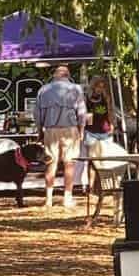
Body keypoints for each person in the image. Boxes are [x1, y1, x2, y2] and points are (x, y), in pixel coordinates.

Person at [35, 65, 86, 209]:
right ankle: (67, 198)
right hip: (70, 129)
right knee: (69, 164)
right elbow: (81, 112)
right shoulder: (76, 89)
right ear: (68, 75)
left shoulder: (43, 90)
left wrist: (40, 131)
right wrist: (81, 130)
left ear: (54, 75)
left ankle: (49, 199)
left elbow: (37, 114)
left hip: (51, 129)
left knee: (51, 163)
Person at [84, 75, 116, 143]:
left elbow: (109, 112)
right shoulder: (87, 98)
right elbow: (88, 115)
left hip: (105, 132)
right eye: (98, 86)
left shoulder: (105, 97)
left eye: (102, 87)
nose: (100, 89)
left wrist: (112, 125)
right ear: (93, 87)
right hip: (91, 133)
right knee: (92, 153)